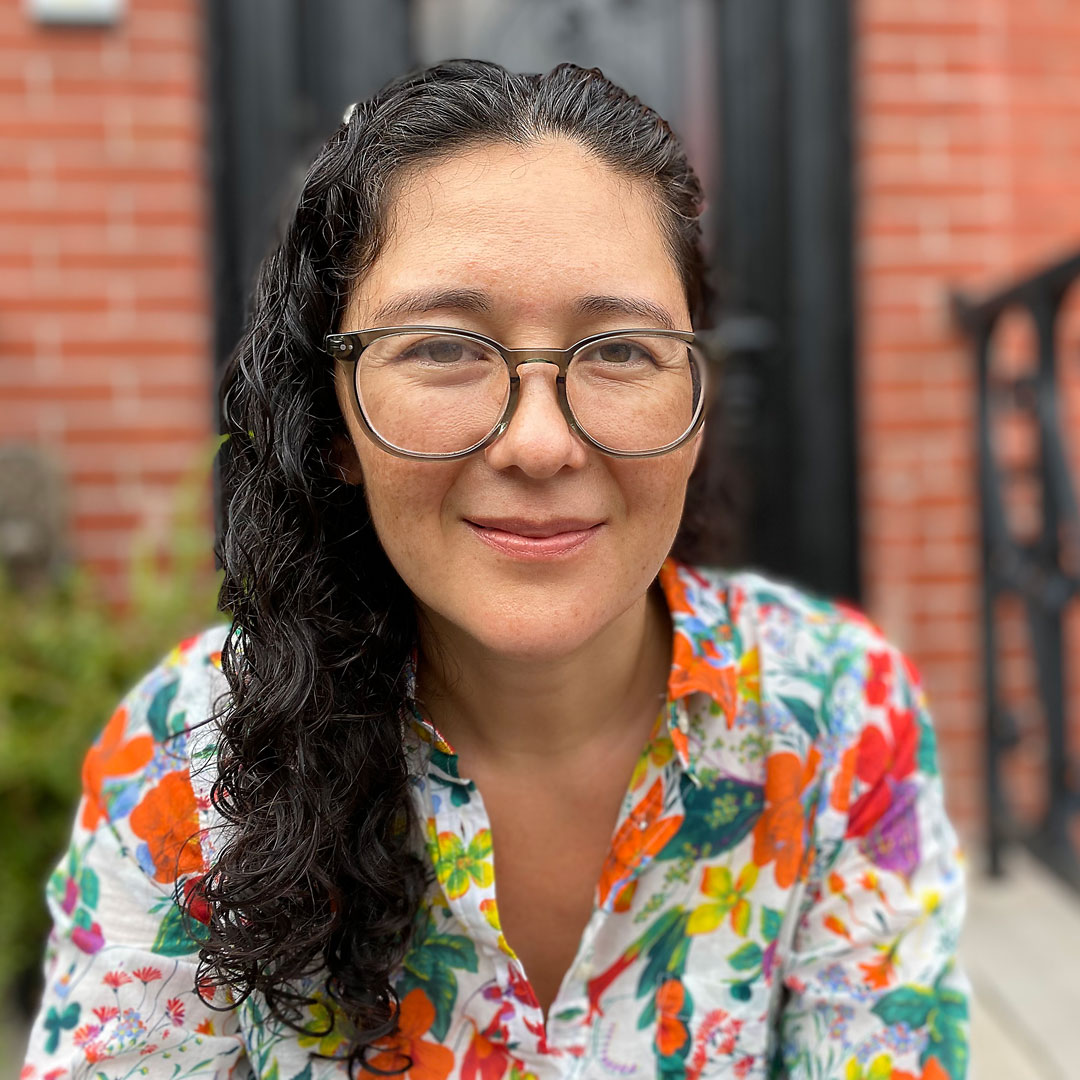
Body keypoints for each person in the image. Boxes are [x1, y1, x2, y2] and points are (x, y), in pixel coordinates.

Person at [21, 60, 969, 1080]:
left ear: (693, 408)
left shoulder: (837, 714)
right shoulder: (181, 761)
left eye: (618, 350)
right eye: (442, 348)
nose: (540, 444)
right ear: (334, 419)